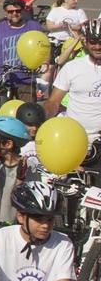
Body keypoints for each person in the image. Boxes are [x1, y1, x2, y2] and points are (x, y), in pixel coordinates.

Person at [45, 19, 101, 170]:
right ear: (85, 42)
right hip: (72, 138)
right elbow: (54, 102)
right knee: (70, 188)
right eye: (93, 41)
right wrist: (43, 123)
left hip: (99, 140)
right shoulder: (72, 68)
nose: (98, 46)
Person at [0, 0, 46, 97]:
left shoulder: (34, 27)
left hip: (26, 80)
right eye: (10, 11)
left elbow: (45, 48)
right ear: (5, 12)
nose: (14, 13)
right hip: (3, 79)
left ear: (23, 11)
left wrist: (44, 63)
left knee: (27, 110)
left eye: (17, 10)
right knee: (0, 109)